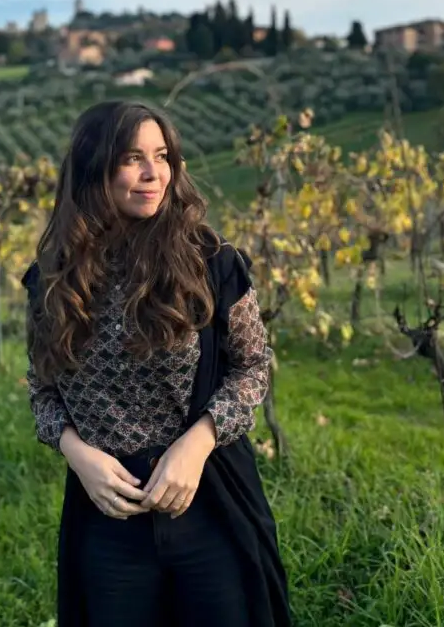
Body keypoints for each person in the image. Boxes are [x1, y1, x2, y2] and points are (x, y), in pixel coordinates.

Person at [22, 100, 292, 627]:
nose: (153, 174)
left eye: (162, 156)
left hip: (207, 503)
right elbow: (43, 389)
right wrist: (78, 455)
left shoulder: (211, 262)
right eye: (132, 158)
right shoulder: (50, 279)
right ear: (94, 168)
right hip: (107, 514)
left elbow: (254, 365)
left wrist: (198, 443)